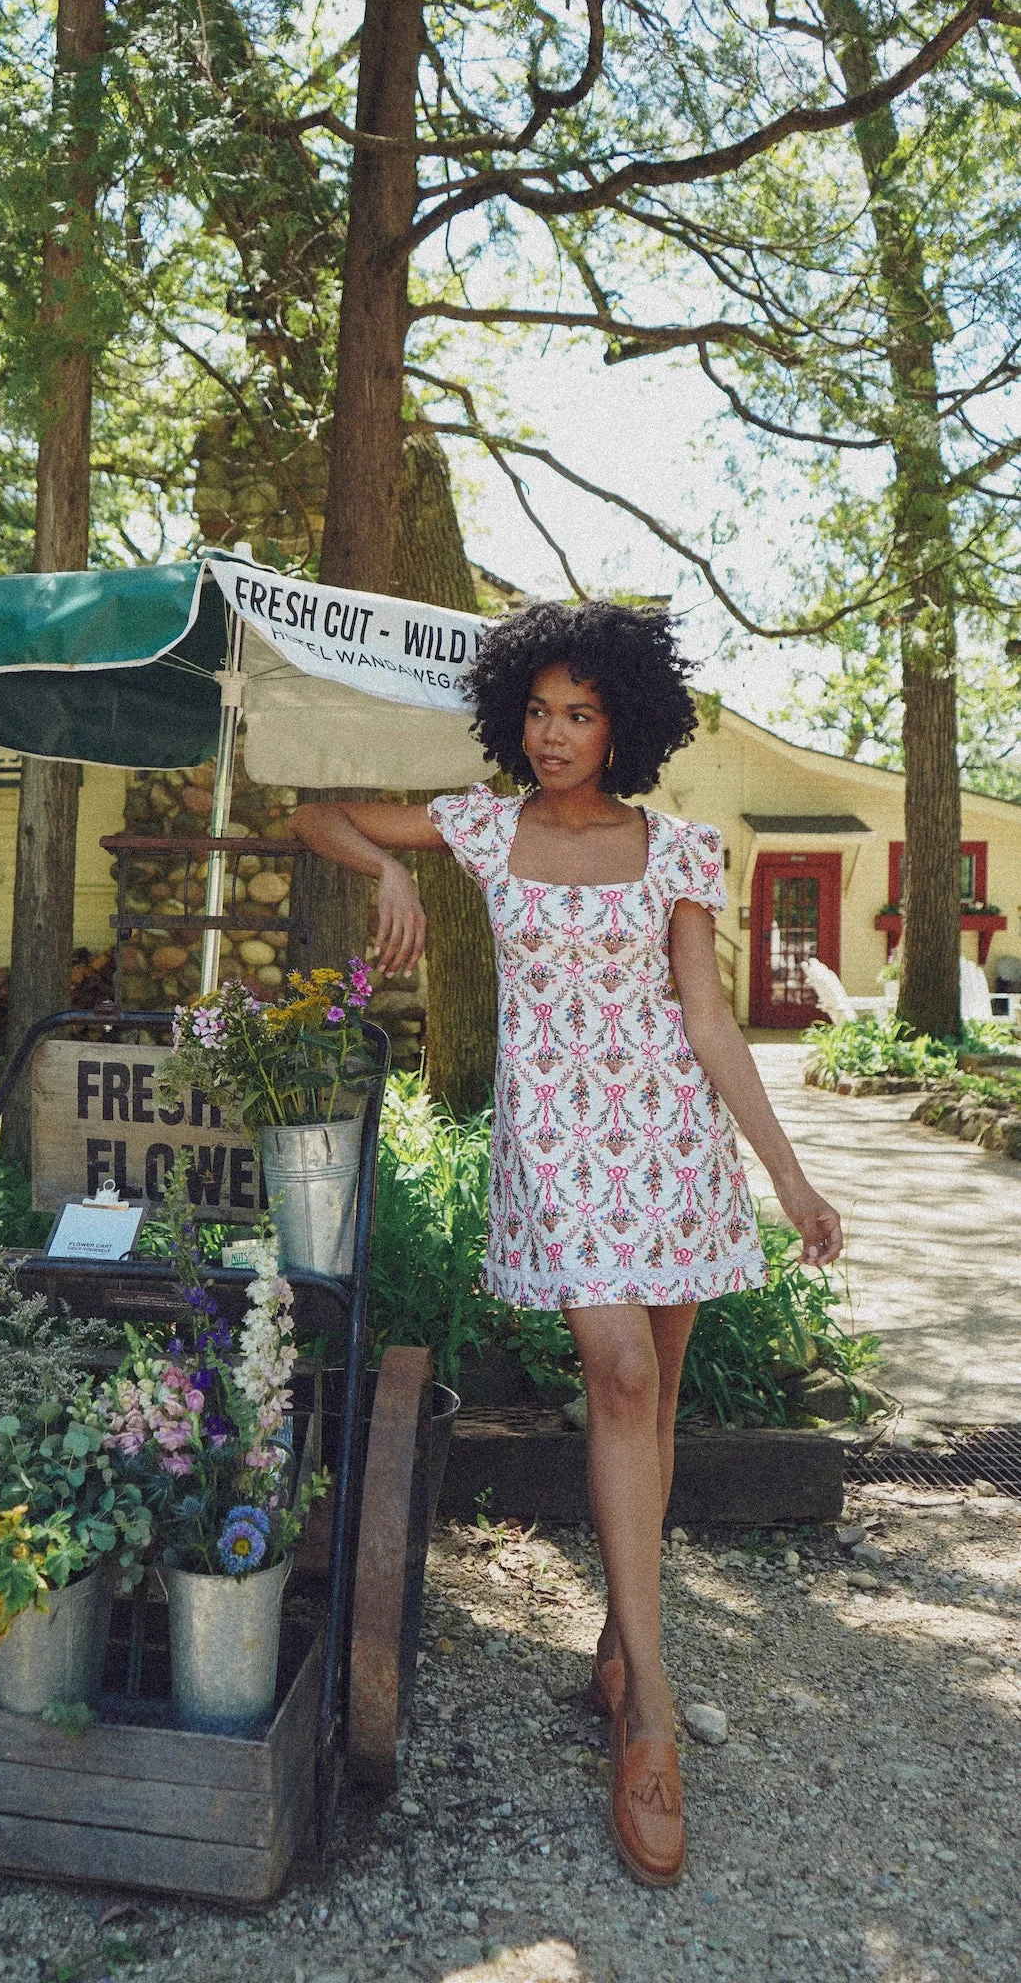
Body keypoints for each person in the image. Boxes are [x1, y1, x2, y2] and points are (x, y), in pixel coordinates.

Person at [291, 598, 843, 1888]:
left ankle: (619, 1635)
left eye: (579, 713)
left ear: (625, 723)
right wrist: (389, 868)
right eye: (536, 711)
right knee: (625, 1375)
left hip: (669, 1139)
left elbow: (709, 1021)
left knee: (656, 1397)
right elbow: (316, 811)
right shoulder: (486, 826)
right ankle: (650, 1715)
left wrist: (788, 1174)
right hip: (562, 1143)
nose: (552, 735)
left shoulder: (683, 850)